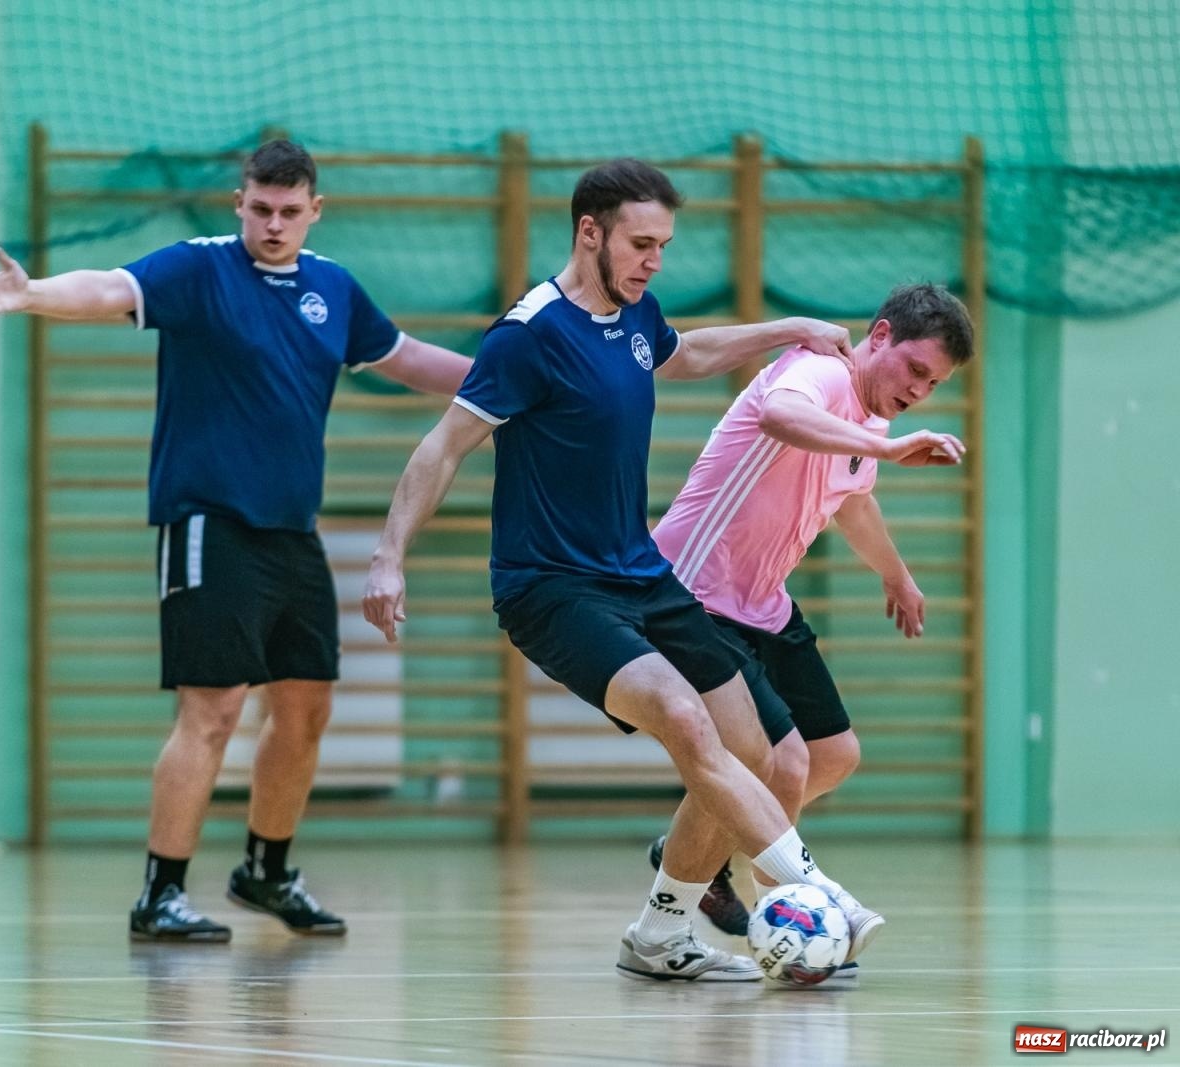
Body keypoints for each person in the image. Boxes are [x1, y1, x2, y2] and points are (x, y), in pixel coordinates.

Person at [363, 159, 883, 981]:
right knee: (685, 718)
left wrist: (788, 329)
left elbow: (686, 353)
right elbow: (442, 446)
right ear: (589, 232)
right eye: (642, 243)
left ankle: (657, 936)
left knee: (750, 749)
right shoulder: (529, 335)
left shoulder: (635, 313)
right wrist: (389, 557)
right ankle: (819, 893)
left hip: (640, 573)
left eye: (665, 246)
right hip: (551, 588)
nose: (654, 260)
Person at [0, 140, 472, 942]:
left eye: (289, 211)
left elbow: (404, 357)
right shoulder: (199, 269)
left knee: (306, 706)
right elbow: (107, 289)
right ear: (240, 203)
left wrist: (502, 380)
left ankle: (266, 871)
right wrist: (34, 296)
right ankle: (160, 891)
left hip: (290, 529)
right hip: (207, 519)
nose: (273, 223)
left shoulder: (332, 288)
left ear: (315, 210)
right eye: (259, 208)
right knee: (214, 708)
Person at [646, 282, 973, 945]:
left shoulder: (871, 419)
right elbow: (779, 418)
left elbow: (852, 500)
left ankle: (696, 860)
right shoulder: (819, 371)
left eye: (933, 385)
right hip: (694, 591)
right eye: (915, 369)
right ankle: (791, 922)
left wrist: (896, 571)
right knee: (783, 760)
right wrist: (884, 445)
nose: (918, 390)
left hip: (762, 600)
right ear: (879, 336)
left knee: (833, 753)